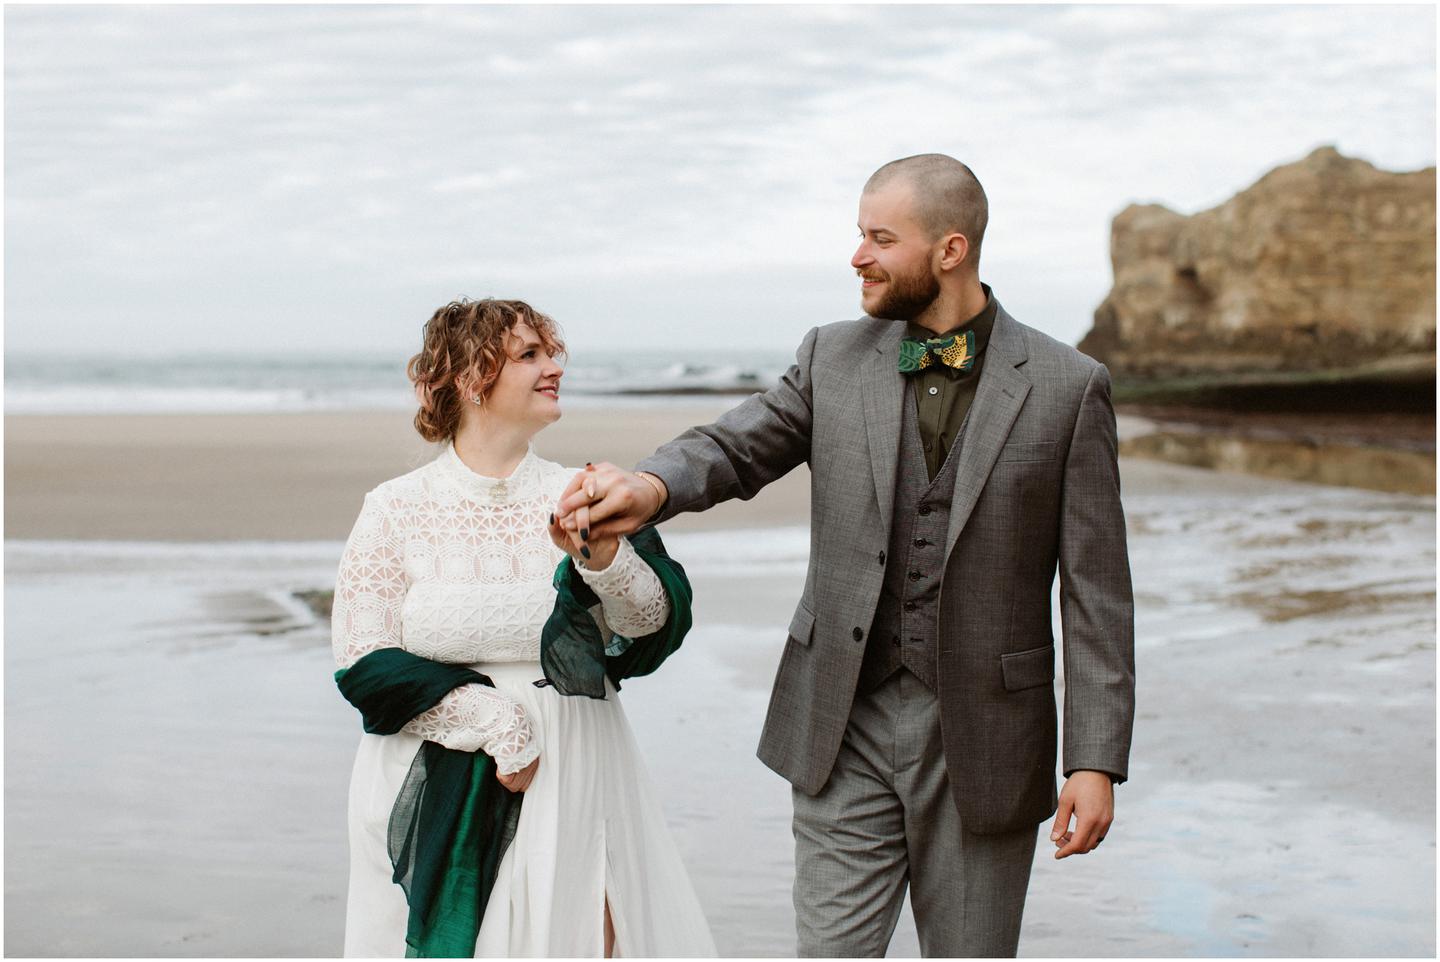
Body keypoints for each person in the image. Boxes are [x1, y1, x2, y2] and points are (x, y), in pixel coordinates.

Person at [556, 154, 1136, 957]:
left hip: (988, 739)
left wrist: (1094, 761)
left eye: (881, 239)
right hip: (840, 723)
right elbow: (734, 446)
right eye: (860, 235)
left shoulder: (1069, 386)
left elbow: (1096, 594)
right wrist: (651, 486)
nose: (858, 256)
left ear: (950, 250)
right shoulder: (831, 356)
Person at [332, 298, 716, 958]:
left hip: (577, 759)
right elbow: (362, 659)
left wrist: (600, 558)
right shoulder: (396, 508)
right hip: (438, 769)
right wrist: (496, 722)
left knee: (589, 936)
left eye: (552, 352)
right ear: (469, 378)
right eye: (529, 355)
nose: (554, 367)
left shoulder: (585, 491)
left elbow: (649, 624)